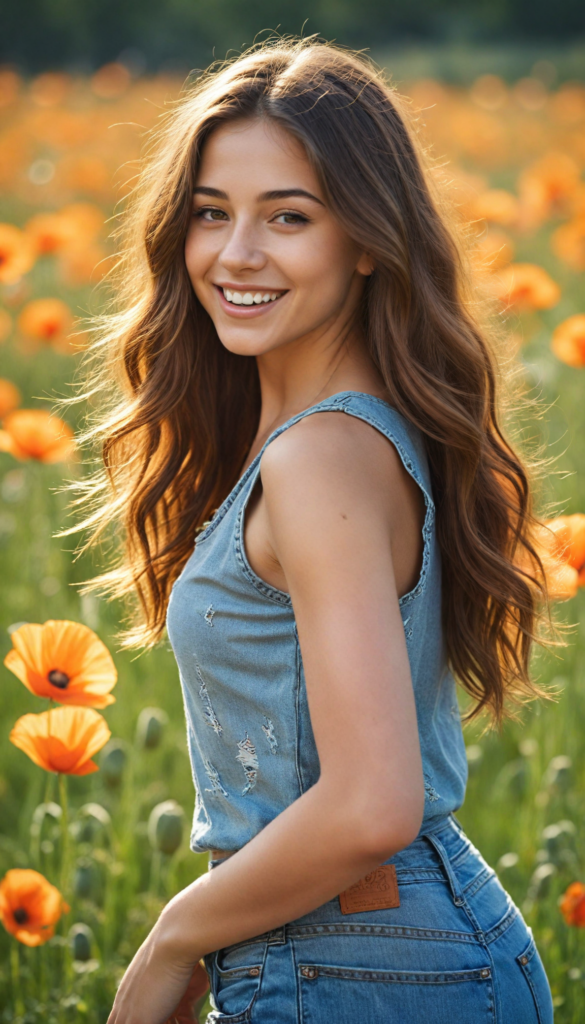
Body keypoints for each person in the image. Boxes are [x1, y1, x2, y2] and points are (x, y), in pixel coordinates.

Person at [83, 37, 554, 1024]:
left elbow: (374, 802)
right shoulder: (328, 436)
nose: (236, 253)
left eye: (288, 217)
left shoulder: (320, 456)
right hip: (358, 950)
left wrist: (177, 935)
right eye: (211, 213)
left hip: (363, 963)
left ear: (369, 240)